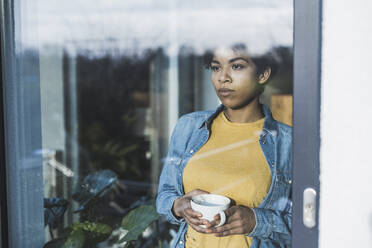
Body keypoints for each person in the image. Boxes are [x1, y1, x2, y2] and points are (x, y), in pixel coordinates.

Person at [156, 45, 292, 248]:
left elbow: (309, 224)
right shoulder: (189, 127)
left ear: (263, 74)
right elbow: (165, 195)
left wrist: (257, 221)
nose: (223, 77)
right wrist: (179, 206)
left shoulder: (289, 142)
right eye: (216, 67)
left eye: (236, 66)